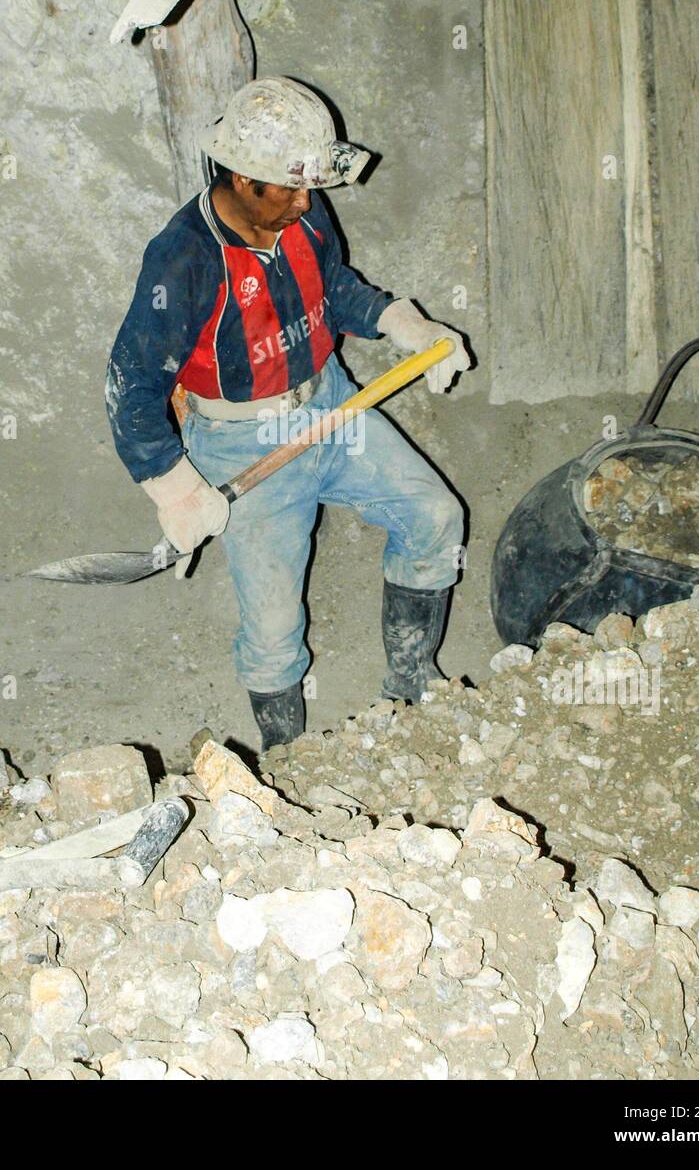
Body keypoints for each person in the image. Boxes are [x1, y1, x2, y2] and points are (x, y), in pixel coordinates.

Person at [106, 76, 470, 748]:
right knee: (274, 633)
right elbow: (130, 384)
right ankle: (292, 761)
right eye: (290, 188)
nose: (308, 202)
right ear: (243, 179)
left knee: (434, 516)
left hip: (330, 404)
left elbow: (332, 286)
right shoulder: (181, 258)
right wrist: (173, 486)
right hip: (243, 442)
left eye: (309, 188)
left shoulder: (299, 211)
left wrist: (400, 321)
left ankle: (413, 684)